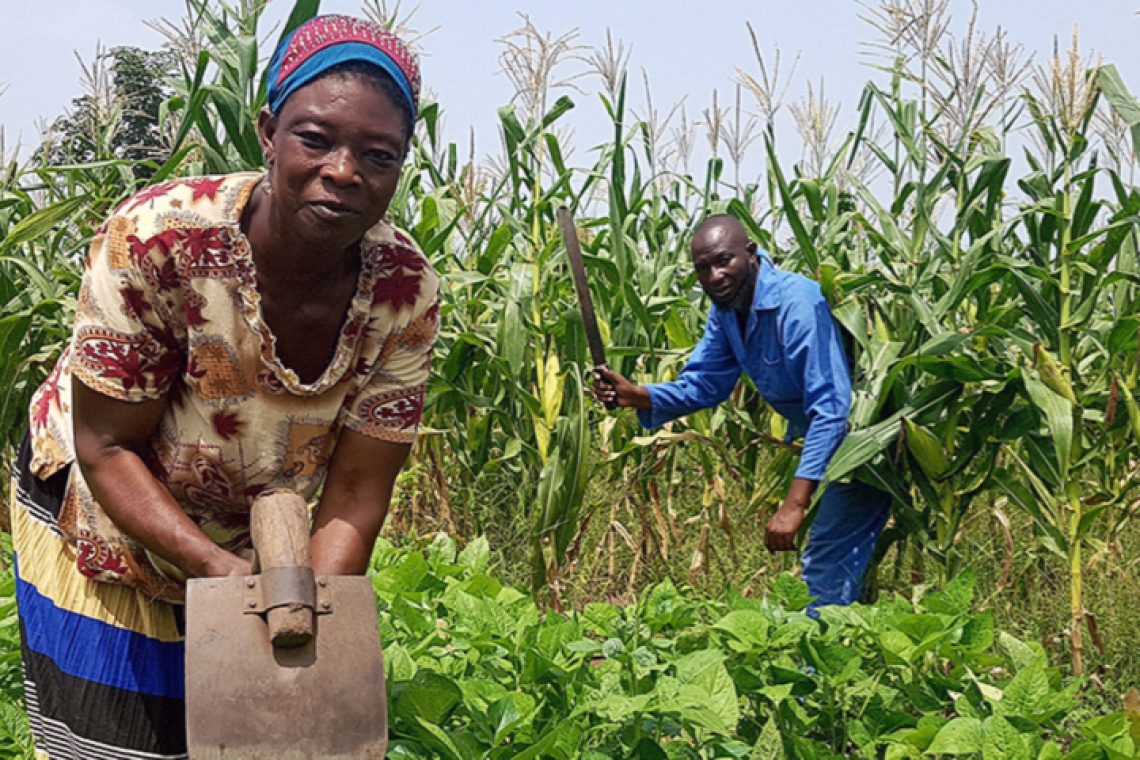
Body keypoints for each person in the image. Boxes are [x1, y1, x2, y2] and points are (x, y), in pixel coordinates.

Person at [10, 15, 438, 759]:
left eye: (378, 154)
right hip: (112, 506)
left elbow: (359, 492)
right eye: (315, 139)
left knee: (260, 733)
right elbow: (107, 444)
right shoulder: (160, 239)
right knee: (118, 744)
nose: (344, 171)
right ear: (269, 132)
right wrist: (224, 579)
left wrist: (301, 610)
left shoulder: (405, 290)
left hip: (252, 534)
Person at [594, 214, 891, 611]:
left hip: (866, 444)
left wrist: (794, 504)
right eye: (704, 269)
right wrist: (638, 395)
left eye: (724, 261)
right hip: (836, 450)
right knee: (837, 560)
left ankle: (818, 667)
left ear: (750, 254)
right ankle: (849, 649)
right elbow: (706, 383)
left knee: (824, 558)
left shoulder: (797, 304)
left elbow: (831, 410)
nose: (715, 276)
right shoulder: (728, 309)